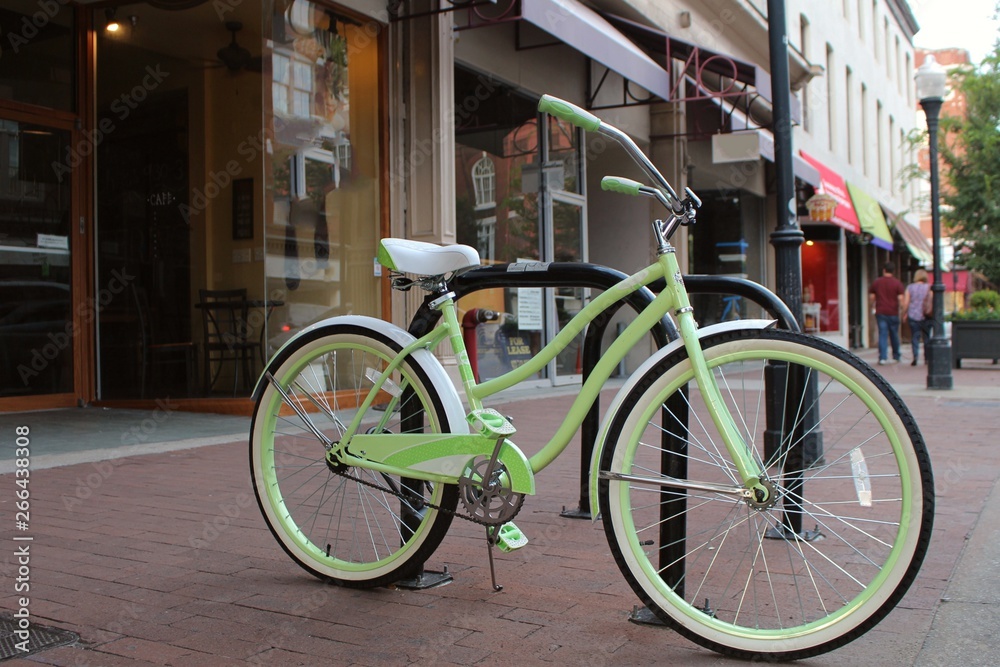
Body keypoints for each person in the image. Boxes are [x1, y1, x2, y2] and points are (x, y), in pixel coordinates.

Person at [869, 261, 904, 365]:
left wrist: (872, 305)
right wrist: (902, 310)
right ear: (893, 271)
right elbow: (901, 299)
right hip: (893, 312)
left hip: (881, 312)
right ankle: (896, 355)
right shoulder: (897, 283)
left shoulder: (877, 282)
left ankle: (882, 357)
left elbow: (872, 297)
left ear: (884, 270)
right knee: (894, 334)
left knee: (883, 334)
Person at [901, 268, 931, 366]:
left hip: (913, 315)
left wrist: (904, 314)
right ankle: (927, 358)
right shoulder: (929, 287)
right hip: (926, 315)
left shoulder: (910, 287)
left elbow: (906, 303)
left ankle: (915, 357)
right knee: (927, 337)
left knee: (915, 336)